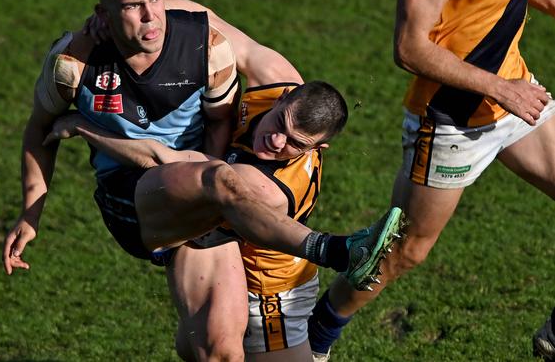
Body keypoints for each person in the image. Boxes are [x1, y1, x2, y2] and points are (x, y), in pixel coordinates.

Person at [2, 0, 403, 361]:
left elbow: (212, 127)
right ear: (103, 13)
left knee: (217, 352)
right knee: (216, 179)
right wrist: (31, 213)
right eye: (135, 5)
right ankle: (337, 251)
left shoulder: (206, 50)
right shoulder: (73, 63)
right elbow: (39, 131)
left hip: (208, 201)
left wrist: (83, 127)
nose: (151, 15)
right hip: (133, 199)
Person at [307, 0, 555, 360]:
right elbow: (409, 48)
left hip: (514, 96)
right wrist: (502, 88)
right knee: (404, 250)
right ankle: (314, 338)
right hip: (451, 122)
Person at [45, 57, 403, 361]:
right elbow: (212, 23)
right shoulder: (275, 77)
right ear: (286, 96)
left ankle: (334, 259)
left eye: (295, 143)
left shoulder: (264, 187)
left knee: (211, 350)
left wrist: (80, 125)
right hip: (220, 250)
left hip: (270, 293)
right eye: (281, 124)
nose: (277, 141)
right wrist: (132, 14)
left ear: (318, 148)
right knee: (201, 349)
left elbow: (164, 159)